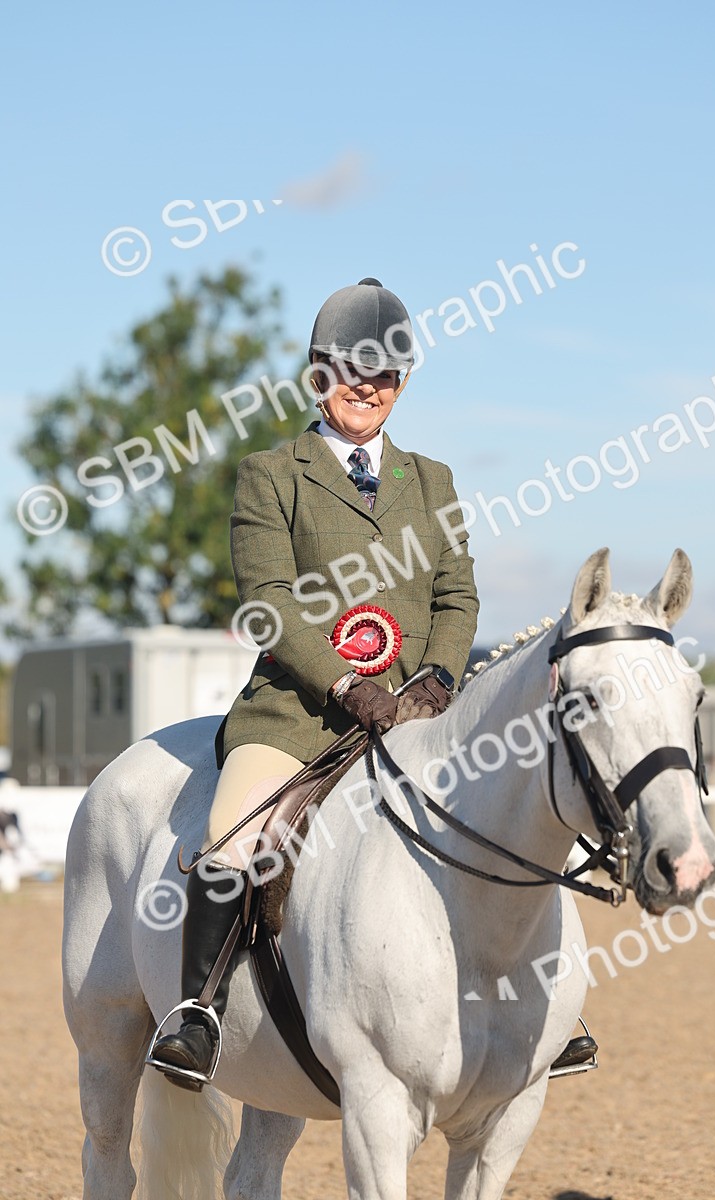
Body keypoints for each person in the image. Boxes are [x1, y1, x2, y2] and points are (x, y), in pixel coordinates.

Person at [149, 277, 480, 1089]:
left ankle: (532, 1012)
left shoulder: (431, 480)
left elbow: (457, 597)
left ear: (402, 383)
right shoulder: (271, 474)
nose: (367, 387)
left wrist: (436, 680)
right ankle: (197, 1013)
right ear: (318, 373)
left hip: (413, 714)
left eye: (385, 374)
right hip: (300, 714)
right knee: (232, 831)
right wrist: (346, 686)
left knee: (503, 809)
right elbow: (268, 603)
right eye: (351, 370)